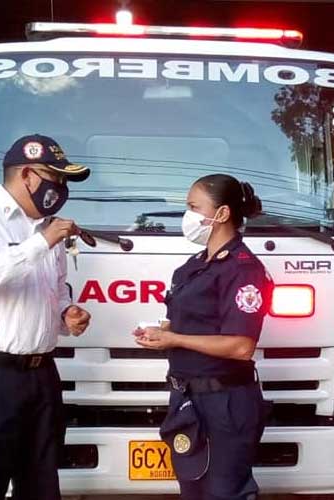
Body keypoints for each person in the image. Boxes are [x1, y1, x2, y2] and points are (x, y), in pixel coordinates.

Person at [0, 134, 93, 500]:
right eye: (55, 177)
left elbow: (56, 287)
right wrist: (40, 242)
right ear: (27, 175)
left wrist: (66, 312)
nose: (59, 188)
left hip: (42, 377)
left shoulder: (47, 226)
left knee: (42, 485)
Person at [133, 174, 274, 500]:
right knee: (193, 491)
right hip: (188, 399)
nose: (188, 216)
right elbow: (195, 323)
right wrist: (162, 332)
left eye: (194, 207)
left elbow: (241, 346)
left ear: (222, 214)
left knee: (225, 492)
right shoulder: (194, 266)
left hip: (225, 403)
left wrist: (176, 340)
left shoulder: (243, 268)